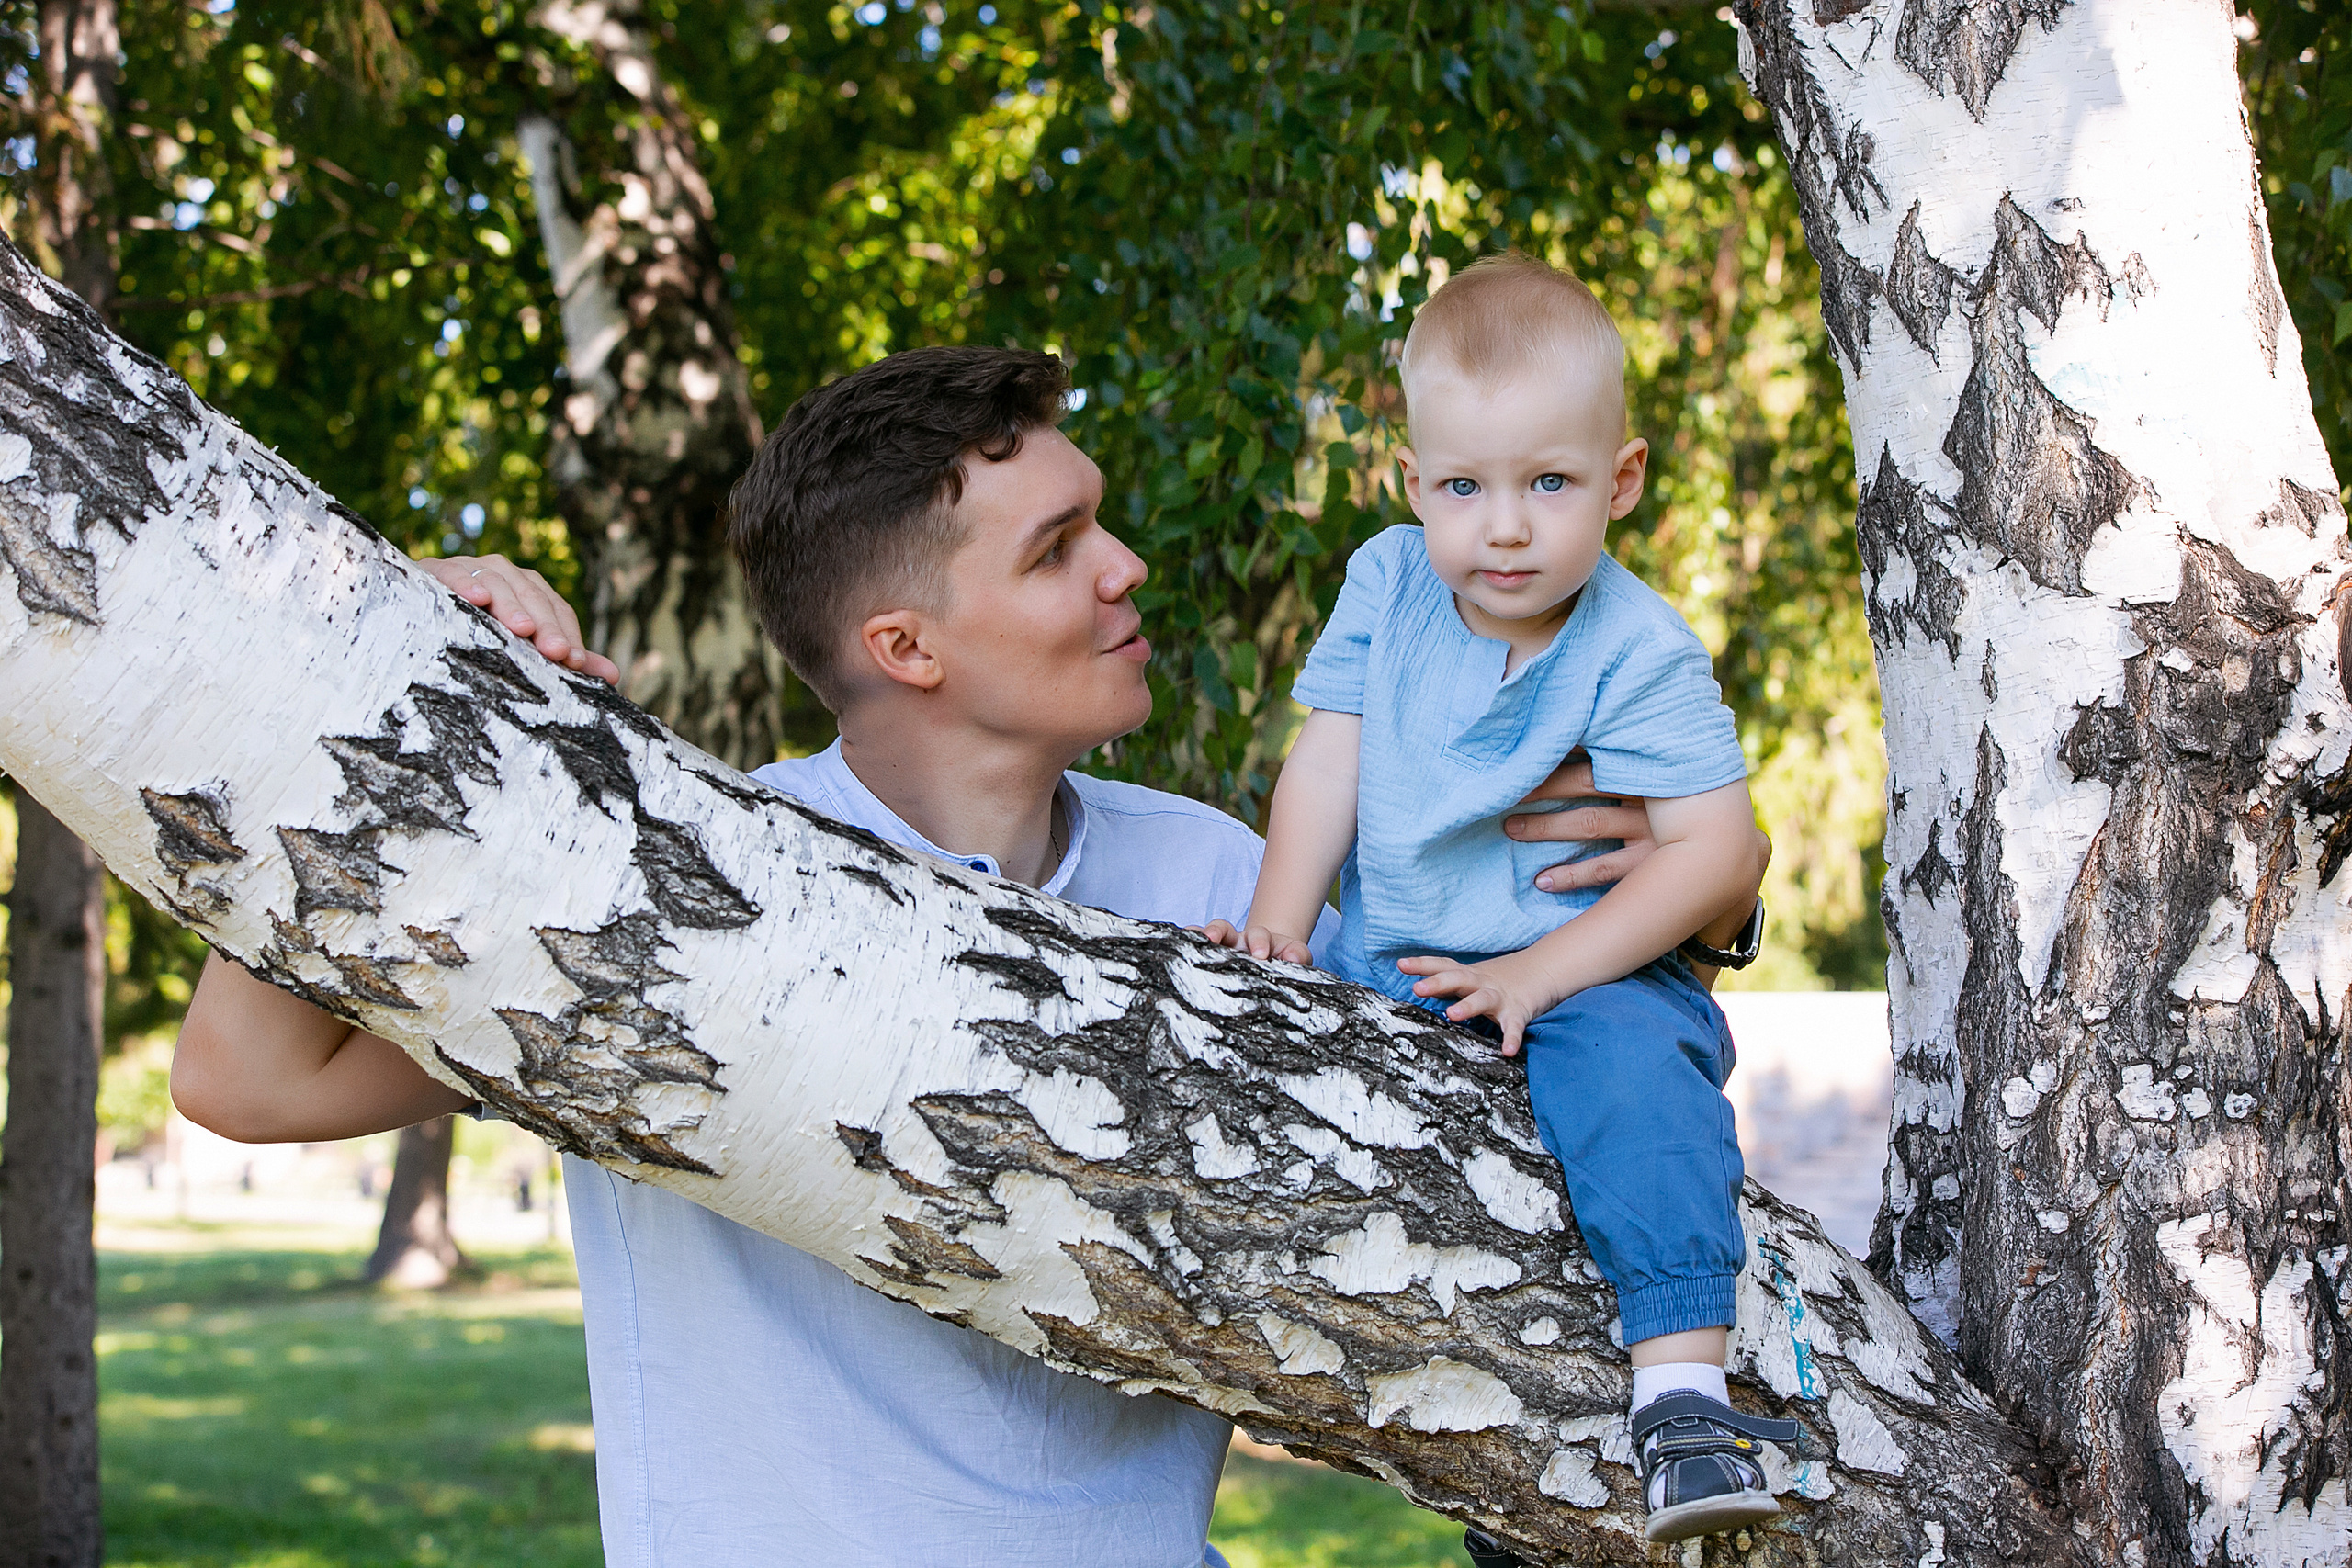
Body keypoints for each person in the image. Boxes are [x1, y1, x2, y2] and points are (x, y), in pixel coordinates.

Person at [171, 344, 1756, 1565]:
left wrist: (1694, 889)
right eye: (1059, 547)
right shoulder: (686, 889)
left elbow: (1502, 1107)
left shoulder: (1211, 876)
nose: (1126, 565)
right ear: (905, 647)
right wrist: (372, 686)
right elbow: (247, 1082)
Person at [1205, 254, 1789, 1551]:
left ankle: (1684, 1404)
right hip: (1399, 967)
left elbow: (1715, 852)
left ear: (1622, 481)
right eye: (1465, 487)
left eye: (1550, 484)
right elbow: (1330, 758)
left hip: (1588, 972)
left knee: (1644, 1099)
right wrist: (1282, 923)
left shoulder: (1637, 647)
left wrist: (1543, 972)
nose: (1506, 528)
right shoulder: (1388, 581)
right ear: (1414, 485)